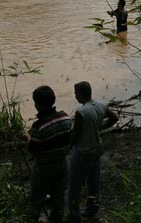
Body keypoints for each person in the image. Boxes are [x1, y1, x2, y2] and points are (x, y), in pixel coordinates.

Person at [68, 81, 119, 222]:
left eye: (75, 93)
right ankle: (92, 208)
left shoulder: (81, 112)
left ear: (80, 94)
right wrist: (100, 128)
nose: (74, 95)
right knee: (94, 180)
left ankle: (74, 213)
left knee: (74, 183)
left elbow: (74, 137)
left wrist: (68, 141)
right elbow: (114, 118)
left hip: (84, 150)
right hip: (97, 148)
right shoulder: (100, 105)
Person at [27, 85, 73, 223]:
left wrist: (27, 139)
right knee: (59, 197)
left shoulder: (38, 126)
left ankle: (32, 219)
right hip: (63, 162)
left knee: (36, 198)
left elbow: (33, 150)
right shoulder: (66, 118)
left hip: (45, 167)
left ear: (37, 105)